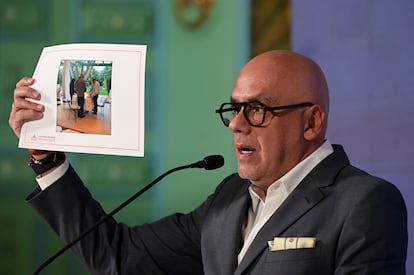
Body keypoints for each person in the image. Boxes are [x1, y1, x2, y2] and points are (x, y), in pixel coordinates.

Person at [8, 50, 407, 275]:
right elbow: (118, 256)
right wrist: (47, 158)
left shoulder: (365, 202)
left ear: (312, 121)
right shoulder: (229, 198)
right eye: (234, 109)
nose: (235, 125)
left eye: (256, 110)